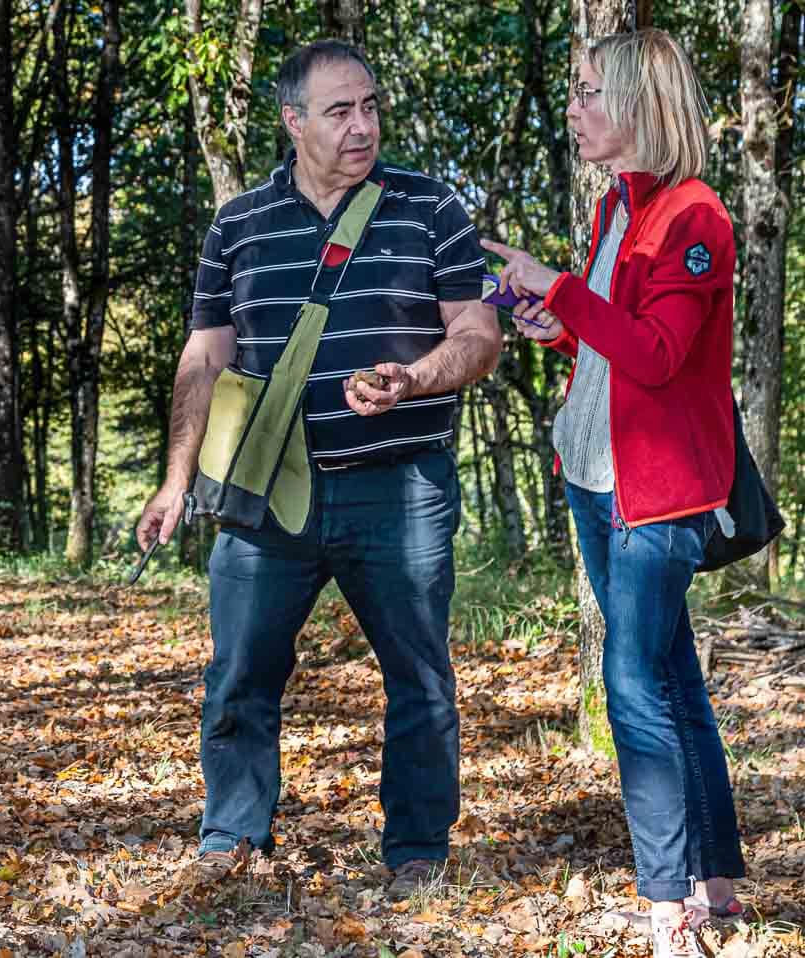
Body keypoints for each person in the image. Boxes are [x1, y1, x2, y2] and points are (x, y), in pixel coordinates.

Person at [135, 39, 500, 895]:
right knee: (238, 674)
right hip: (265, 499)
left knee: (420, 678)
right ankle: (231, 837)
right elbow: (204, 356)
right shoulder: (239, 224)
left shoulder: (430, 207)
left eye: (370, 106)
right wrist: (177, 476)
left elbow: (478, 334)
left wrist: (415, 378)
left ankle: (416, 853)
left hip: (400, 488)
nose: (362, 125)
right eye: (340, 111)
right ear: (292, 120)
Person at [480, 29, 745, 958]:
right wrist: (554, 318)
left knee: (633, 684)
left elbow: (661, 356)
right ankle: (717, 880)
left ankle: (667, 899)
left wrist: (564, 288)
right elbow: (609, 344)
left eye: (591, 91)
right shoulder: (616, 210)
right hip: (594, 479)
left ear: (640, 102)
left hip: (659, 496)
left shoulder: (694, 219)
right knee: (672, 677)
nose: (576, 107)